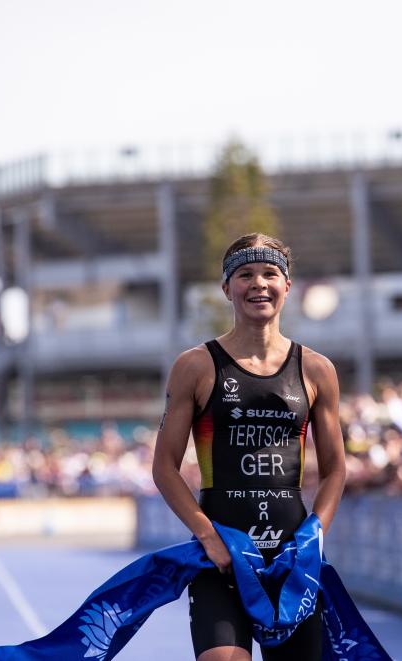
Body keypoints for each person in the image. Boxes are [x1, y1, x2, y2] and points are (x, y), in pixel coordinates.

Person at [152, 233, 347, 661]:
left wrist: (315, 535)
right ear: (227, 288)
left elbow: (335, 470)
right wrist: (208, 536)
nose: (258, 283)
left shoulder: (316, 369)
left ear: (287, 285)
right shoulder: (195, 366)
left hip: (292, 561)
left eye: (269, 273)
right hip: (220, 554)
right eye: (245, 275)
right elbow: (164, 468)